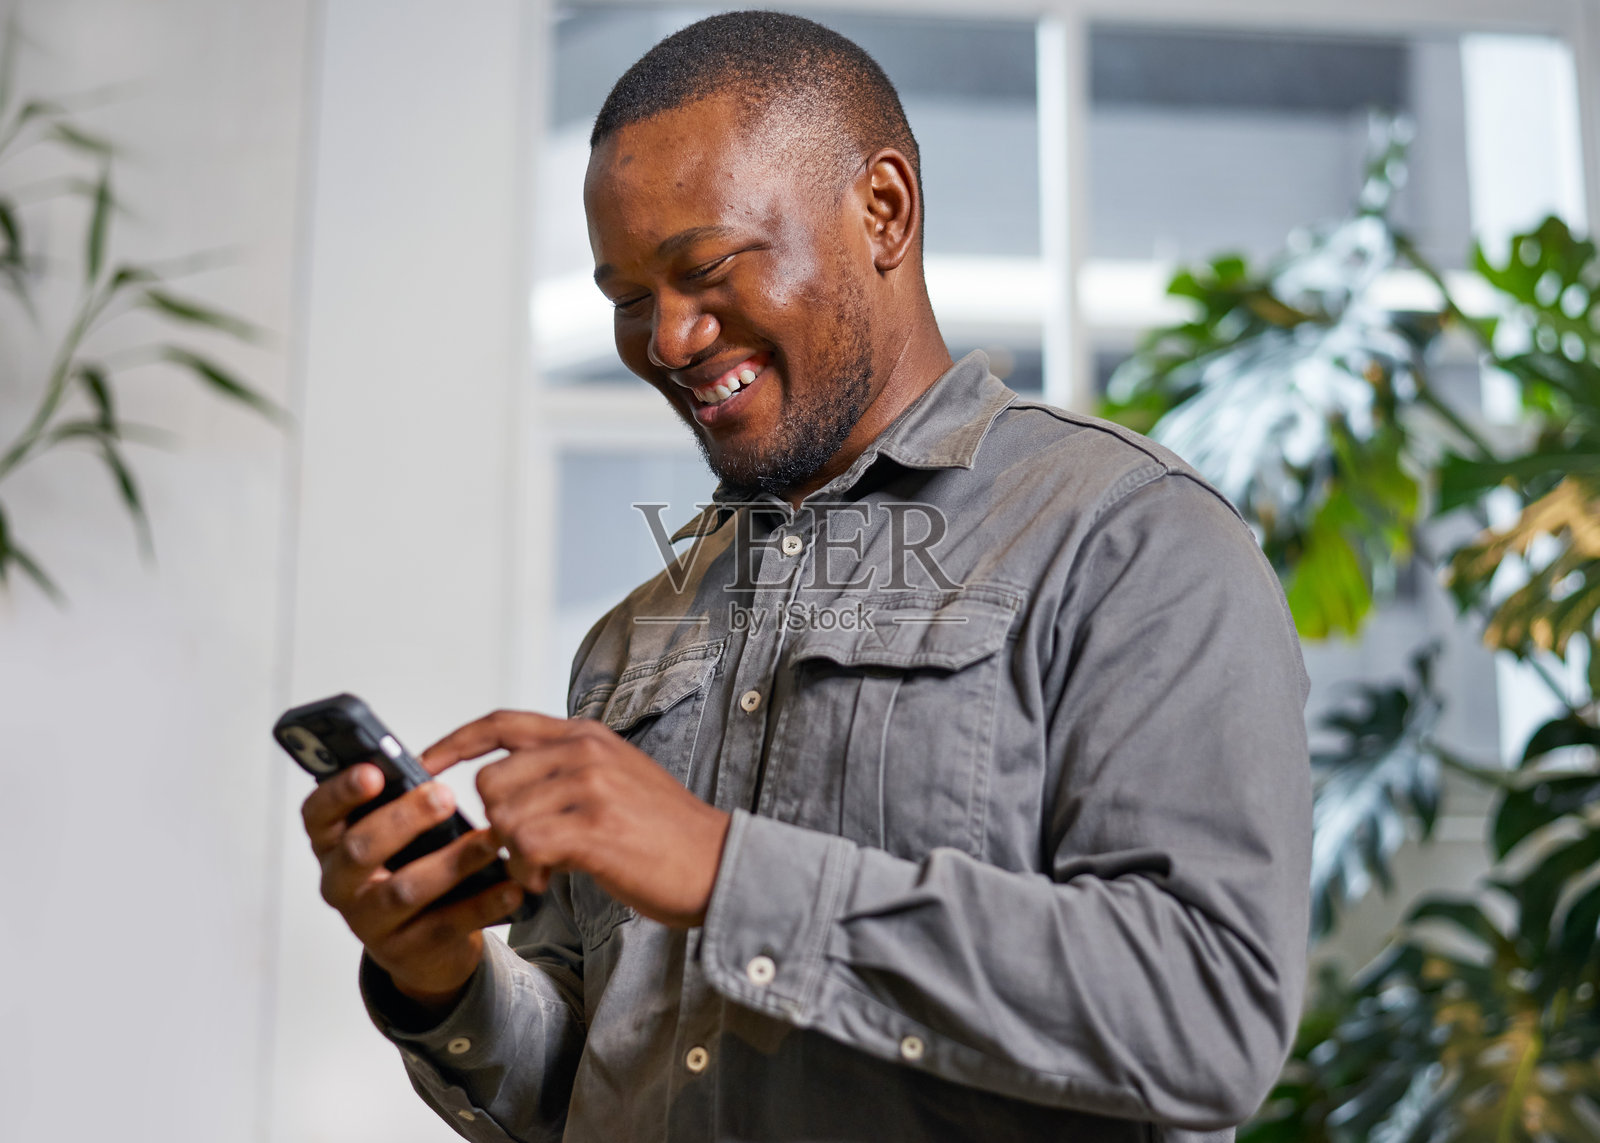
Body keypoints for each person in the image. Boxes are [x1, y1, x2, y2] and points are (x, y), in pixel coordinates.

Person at [298, 11, 1312, 1142]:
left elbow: (1210, 1016)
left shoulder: (1126, 539)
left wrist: (730, 874)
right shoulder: (634, 640)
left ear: (883, 210)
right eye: (628, 298)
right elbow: (588, 1089)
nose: (667, 340)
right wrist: (440, 978)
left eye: (704, 267)